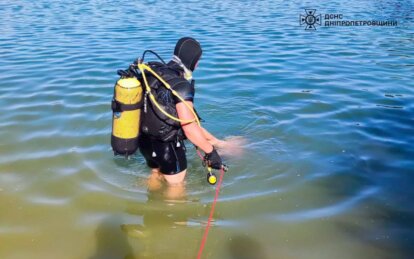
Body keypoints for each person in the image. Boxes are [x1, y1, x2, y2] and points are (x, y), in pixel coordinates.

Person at [138, 37, 225, 198]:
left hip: (144, 143)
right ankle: (173, 221)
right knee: (176, 188)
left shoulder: (152, 73)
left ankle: (151, 212)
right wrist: (211, 153)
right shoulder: (181, 86)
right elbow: (189, 127)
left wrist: (215, 142)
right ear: (192, 61)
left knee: (156, 174)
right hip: (167, 149)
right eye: (198, 61)